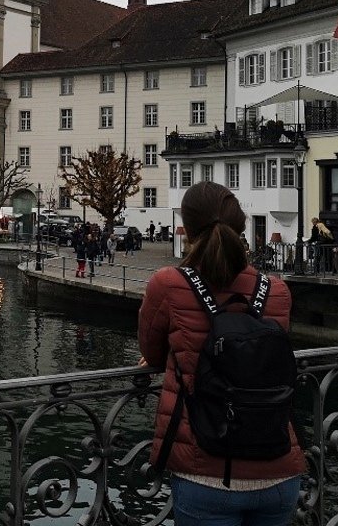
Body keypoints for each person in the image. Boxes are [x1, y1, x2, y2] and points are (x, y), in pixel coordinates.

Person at [138, 181, 303, 524]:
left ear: (188, 227)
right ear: (241, 226)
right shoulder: (277, 289)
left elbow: (151, 353)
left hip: (206, 469)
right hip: (278, 467)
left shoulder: (167, 283)